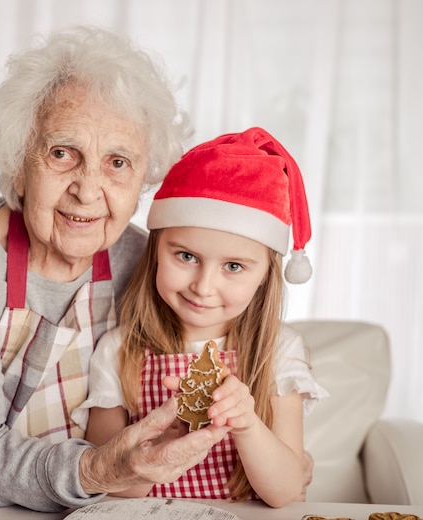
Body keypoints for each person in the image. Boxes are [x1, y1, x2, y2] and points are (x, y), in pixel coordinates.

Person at [0, 26, 231, 512]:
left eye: (117, 162)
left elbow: (223, 352)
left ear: (143, 178)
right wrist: (100, 469)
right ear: (19, 165)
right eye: (62, 153)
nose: (87, 190)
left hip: (89, 508)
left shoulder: (148, 262)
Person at [73, 127, 329, 508]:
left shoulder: (278, 351)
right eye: (186, 257)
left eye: (233, 266)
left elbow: (288, 492)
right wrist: (161, 445)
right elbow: (108, 486)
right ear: (156, 251)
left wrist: (245, 423)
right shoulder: (118, 350)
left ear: (265, 277)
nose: (203, 286)